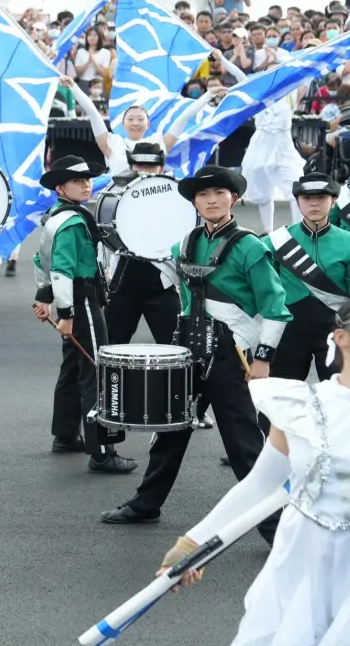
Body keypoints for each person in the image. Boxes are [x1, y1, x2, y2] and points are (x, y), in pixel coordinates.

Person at [101, 166, 289, 542]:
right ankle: (146, 504)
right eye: (203, 195)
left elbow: (276, 307)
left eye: (219, 193)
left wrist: (263, 358)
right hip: (189, 350)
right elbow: (165, 284)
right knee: (170, 431)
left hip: (229, 353)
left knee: (243, 443)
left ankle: (278, 529)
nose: (211, 200)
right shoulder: (183, 243)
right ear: (194, 202)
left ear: (233, 198)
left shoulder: (251, 246)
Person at [158, 302, 350, 644]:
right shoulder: (301, 405)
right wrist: (193, 544)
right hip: (302, 563)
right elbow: (260, 484)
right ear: (341, 338)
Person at [32, 157, 137, 473]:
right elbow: (62, 269)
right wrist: (65, 313)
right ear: (61, 187)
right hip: (82, 300)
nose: (86, 184)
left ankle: (65, 434)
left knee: (73, 367)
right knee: (96, 369)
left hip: (71, 298)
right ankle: (102, 451)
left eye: (88, 179)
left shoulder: (55, 217)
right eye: (78, 181)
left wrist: (43, 296)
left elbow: (41, 261)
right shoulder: (74, 222)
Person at [262, 173, 350, 382]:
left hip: (334, 331)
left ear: (334, 201)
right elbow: (264, 287)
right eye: (307, 198)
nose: (314, 204)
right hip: (289, 332)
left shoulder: (348, 242)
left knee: (341, 403)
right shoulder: (275, 241)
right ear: (297, 201)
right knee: (280, 402)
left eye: (321, 198)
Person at [104, 142, 183, 347]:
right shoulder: (116, 195)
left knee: (175, 347)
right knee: (111, 346)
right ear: (132, 168)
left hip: (162, 277)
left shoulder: (178, 195)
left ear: (162, 169)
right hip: (124, 276)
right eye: (139, 166)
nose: (144, 172)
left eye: (151, 167)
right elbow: (103, 234)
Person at [75, 77, 210, 175]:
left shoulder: (157, 144)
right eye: (131, 119)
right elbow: (93, 113)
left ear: (148, 124)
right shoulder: (112, 142)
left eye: (140, 119)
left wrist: (209, 95)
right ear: (123, 123)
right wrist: (73, 87)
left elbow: (183, 118)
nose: (135, 123)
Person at [242, 99, 306, 233]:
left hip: (283, 149)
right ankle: (268, 232)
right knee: (263, 193)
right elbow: (245, 83)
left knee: (297, 190)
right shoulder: (261, 94)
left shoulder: (290, 93)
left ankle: (300, 232)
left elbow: (305, 79)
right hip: (260, 148)